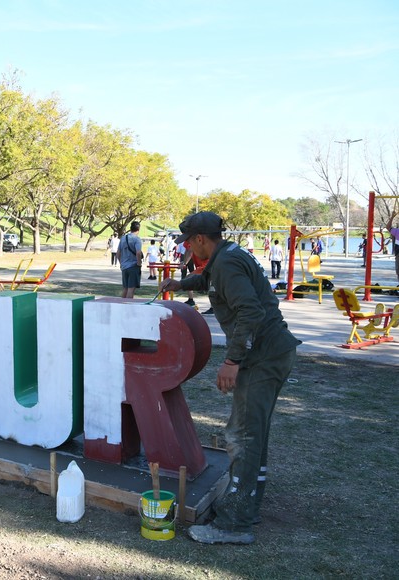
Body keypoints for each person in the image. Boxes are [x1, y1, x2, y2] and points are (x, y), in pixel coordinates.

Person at [160, 211, 300, 545]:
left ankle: (233, 524)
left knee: (243, 437)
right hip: (274, 353)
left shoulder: (225, 263)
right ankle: (246, 507)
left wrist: (233, 360)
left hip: (261, 359)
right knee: (254, 434)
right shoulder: (228, 255)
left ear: (201, 239)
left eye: (190, 244)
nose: (189, 251)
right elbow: (212, 281)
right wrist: (182, 283)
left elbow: (250, 311)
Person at [116, 221, 143, 298]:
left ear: (130, 228)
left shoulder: (123, 238)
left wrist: (121, 263)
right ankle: (128, 305)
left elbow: (118, 253)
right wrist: (139, 263)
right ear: (138, 229)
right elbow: (138, 253)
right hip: (133, 266)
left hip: (124, 266)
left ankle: (122, 305)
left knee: (125, 288)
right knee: (131, 289)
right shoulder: (137, 239)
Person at [388, 217, 399, 284]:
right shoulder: (397, 231)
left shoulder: (397, 231)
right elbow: (388, 227)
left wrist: (392, 217)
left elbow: (388, 227)